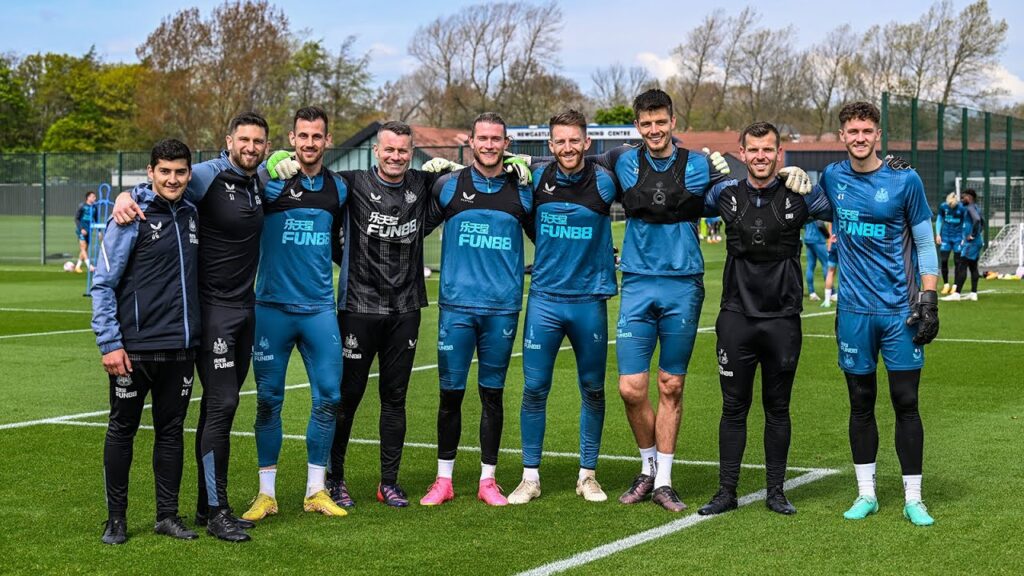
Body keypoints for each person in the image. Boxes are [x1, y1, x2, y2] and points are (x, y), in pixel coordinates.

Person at [588, 89, 808, 512]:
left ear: (673, 122)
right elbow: (572, 164)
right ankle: (647, 467)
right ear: (638, 126)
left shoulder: (701, 166)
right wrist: (518, 163)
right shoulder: (620, 159)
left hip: (683, 285)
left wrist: (791, 173)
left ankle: (663, 481)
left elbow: (749, 189)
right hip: (636, 281)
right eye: (646, 123)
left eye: (661, 121)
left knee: (671, 385)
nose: (654, 129)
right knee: (631, 389)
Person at [111, 112, 270, 542]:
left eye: (258, 141)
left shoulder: (261, 178)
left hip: (245, 311)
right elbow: (165, 184)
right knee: (222, 403)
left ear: (267, 146)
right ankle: (217, 511)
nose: (251, 147)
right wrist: (126, 197)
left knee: (223, 408)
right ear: (228, 140)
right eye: (244, 140)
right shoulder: (206, 175)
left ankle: (206, 506)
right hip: (213, 311)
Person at [695, 121, 831, 517]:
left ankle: (776, 491)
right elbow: (682, 200)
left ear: (779, 154)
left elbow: (843, 209)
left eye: (767, 150)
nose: (760, 156)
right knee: (733, 408)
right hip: (736, 318)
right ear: (742, 152)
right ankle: (726, 492)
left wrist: (815, 183)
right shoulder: (725, 193)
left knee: (778, 407)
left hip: (783, 320)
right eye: (752, 150)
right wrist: (705, 170)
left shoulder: (800, 195)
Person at [817, 101, 940, 527]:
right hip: (853, 311)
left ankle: (914, 498)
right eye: (852, 131)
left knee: (906, 401)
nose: (860, 137)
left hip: (899, 312)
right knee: (860, 401)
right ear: (842, 136)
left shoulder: (905, 179)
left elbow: (925, 245)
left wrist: (929, 299)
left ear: (878, 135)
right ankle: (866, 493)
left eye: (867, 131)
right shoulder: (832, 177)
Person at [325, 121, 444, 508]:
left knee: (395, 398)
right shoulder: (352, 182)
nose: (396, 156)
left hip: (406, 309)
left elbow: (478, 172)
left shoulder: (423, 185)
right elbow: (309, 181)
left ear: (411, 153)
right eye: (389, 150)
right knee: (348, 398)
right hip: (358, 308)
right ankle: (334, 479)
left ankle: (388, 482)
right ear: (376, 151)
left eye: (403, 151)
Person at [418, 112, 533, 507]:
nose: (488, 145)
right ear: (470, 141)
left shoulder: (522, 191)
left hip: (501, 309)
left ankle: (488, 480)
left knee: (492, 395)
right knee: (450, 396)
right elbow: (410, 223)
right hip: (456, 308)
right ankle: (443, 480)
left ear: (507, 143)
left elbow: (548, 235)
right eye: (482, 138)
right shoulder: (448, 187)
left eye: (495, 139)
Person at [505, 110, 618, 505]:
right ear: (550, 145)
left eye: (575, 140)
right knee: (534, 388)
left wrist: (708, 165)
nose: (567, 147)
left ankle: (587, 474)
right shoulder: (534, 178)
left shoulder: (606, 180)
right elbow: (485, 166)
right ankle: (530, 477)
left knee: (593, 388)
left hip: (589, 301)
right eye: (560, 141)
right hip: (546, 300)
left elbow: (652, 171)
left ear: (587, 142)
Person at [90, 139, 200, 545]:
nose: (173, 179)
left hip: (181, 348)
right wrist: (109, 342)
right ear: (150, 172)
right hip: (133, 349)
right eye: (165, 171)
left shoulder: (193, 212)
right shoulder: (130, 215)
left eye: (180, 171)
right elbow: (102, 284)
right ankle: (116, 519)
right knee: (122, 430)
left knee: (171, 431)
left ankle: (166, 516)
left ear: (189, 173)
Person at [242, 106, 349, 521]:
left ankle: (316, 491)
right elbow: (230, 172)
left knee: (329, 397)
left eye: (317, 136)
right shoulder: (269, 183)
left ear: (326, 141)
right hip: (271, 309)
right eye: (302, 136)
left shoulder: (338, 189)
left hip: (319, 310)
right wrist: (268, 166)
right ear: (291, 138)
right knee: (268, 401)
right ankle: (266, 494)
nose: (309, 143)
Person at [943, 189, 984, 302]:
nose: (962, 199)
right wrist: (978, 234)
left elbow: (977, 219)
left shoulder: (970, 208)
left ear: (969, 197)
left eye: (963, 197)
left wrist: (973, 235)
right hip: (977, 242)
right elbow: (982, 221)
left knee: (962, 265)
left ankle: (956, 294)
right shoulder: (976, 207)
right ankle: (973, 293)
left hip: (971, 243)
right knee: (973, 266)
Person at [934, 192, 966, 295]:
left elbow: (966, 222)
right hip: (946, 237)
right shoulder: (943, 207)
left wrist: (964, 237)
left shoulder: (961, 208)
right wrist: (938, 234)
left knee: (957, 262)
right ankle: (946, 284)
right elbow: (939, 220)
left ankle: (955, 285)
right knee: (944, 260)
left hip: (958, 238)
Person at [803, 220, 830, 300]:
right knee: (826, 264)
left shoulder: (808, 209)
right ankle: (832, 293)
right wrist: (827, 235)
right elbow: (820, 224)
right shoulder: (817, 209)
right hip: (818, 239)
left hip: (808, 239)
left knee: (810, 265)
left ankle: (812, 293)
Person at [74, 191, 98, 273]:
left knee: (85, 249)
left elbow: (96, 219)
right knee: (83, 247)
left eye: (95, 197)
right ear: (88, 197)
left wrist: (99, 231)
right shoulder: (82, 206)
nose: (95, 198)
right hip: (82, 230)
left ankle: (77, 267)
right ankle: (89, 266)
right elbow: (76, 218)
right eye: (93, 197)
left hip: (89, 230)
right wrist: (81, 229)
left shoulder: (95, 207)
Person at [821, 234, 839, 307]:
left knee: (830, 271)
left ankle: (827, 300)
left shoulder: (832, 221)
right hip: (844, 244)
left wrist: (829, 245)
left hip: (834, 243)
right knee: (845, 272)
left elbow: (830, 232)